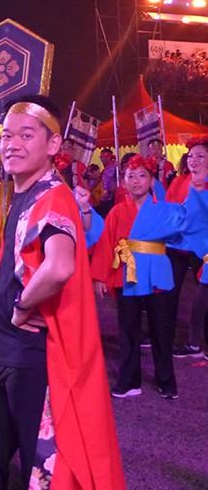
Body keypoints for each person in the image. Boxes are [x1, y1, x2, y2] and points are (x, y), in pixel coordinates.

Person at [0, 96, 124, 490]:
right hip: (4, 354)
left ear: (53, 145)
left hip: (31, 360)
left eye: (26, 135)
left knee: (46, 469)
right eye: (7, 136)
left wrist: (21, 306)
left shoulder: (53, 197)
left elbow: (60, 266)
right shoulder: (25, 193)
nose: (12, 144)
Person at [91, 156, 185, 399]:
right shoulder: (117, 211)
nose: (136, 181)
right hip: (127, 273)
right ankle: (129, 380)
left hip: (157, 273)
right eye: (130, 176)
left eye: (142, 175)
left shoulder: (164, 209)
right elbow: (105, 243)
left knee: (162, 328)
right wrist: (100, 276)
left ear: (152, 180)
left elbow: (181, 232)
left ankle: (166, 380)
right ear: (124, 181)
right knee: (128, 328)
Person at [168, 137, 208, 358]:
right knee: (170, 292)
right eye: (191, 156)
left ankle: (199, 343)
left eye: (201, 156)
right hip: (178, 247)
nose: (194, 160)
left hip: (203, 249)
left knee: (203, 297)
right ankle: (170, 338)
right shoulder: (179, 182)